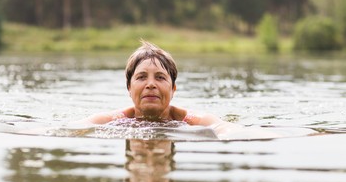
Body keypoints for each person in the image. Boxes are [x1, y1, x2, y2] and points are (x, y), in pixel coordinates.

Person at [70, 40, 280, 140]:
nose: (150, 84)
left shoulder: (191, 120)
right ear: (129, 88)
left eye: (160, 77)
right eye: (141, 77)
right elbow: (71, 128)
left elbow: (226, 129)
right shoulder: (115, 119)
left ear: (173, 89)